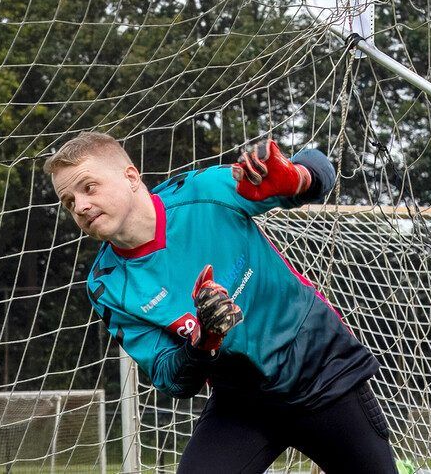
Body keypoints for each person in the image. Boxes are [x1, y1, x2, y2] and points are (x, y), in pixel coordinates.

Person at [44, 131, 397, 473]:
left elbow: (320, 168)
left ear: (131, 177)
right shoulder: (106, 284)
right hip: (243, 402)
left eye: (88, 187)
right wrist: (204, 342)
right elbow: (172, 379)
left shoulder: (204, 191)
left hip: (321, 370)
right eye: (69, 202)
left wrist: (297, 178)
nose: (81, 206)